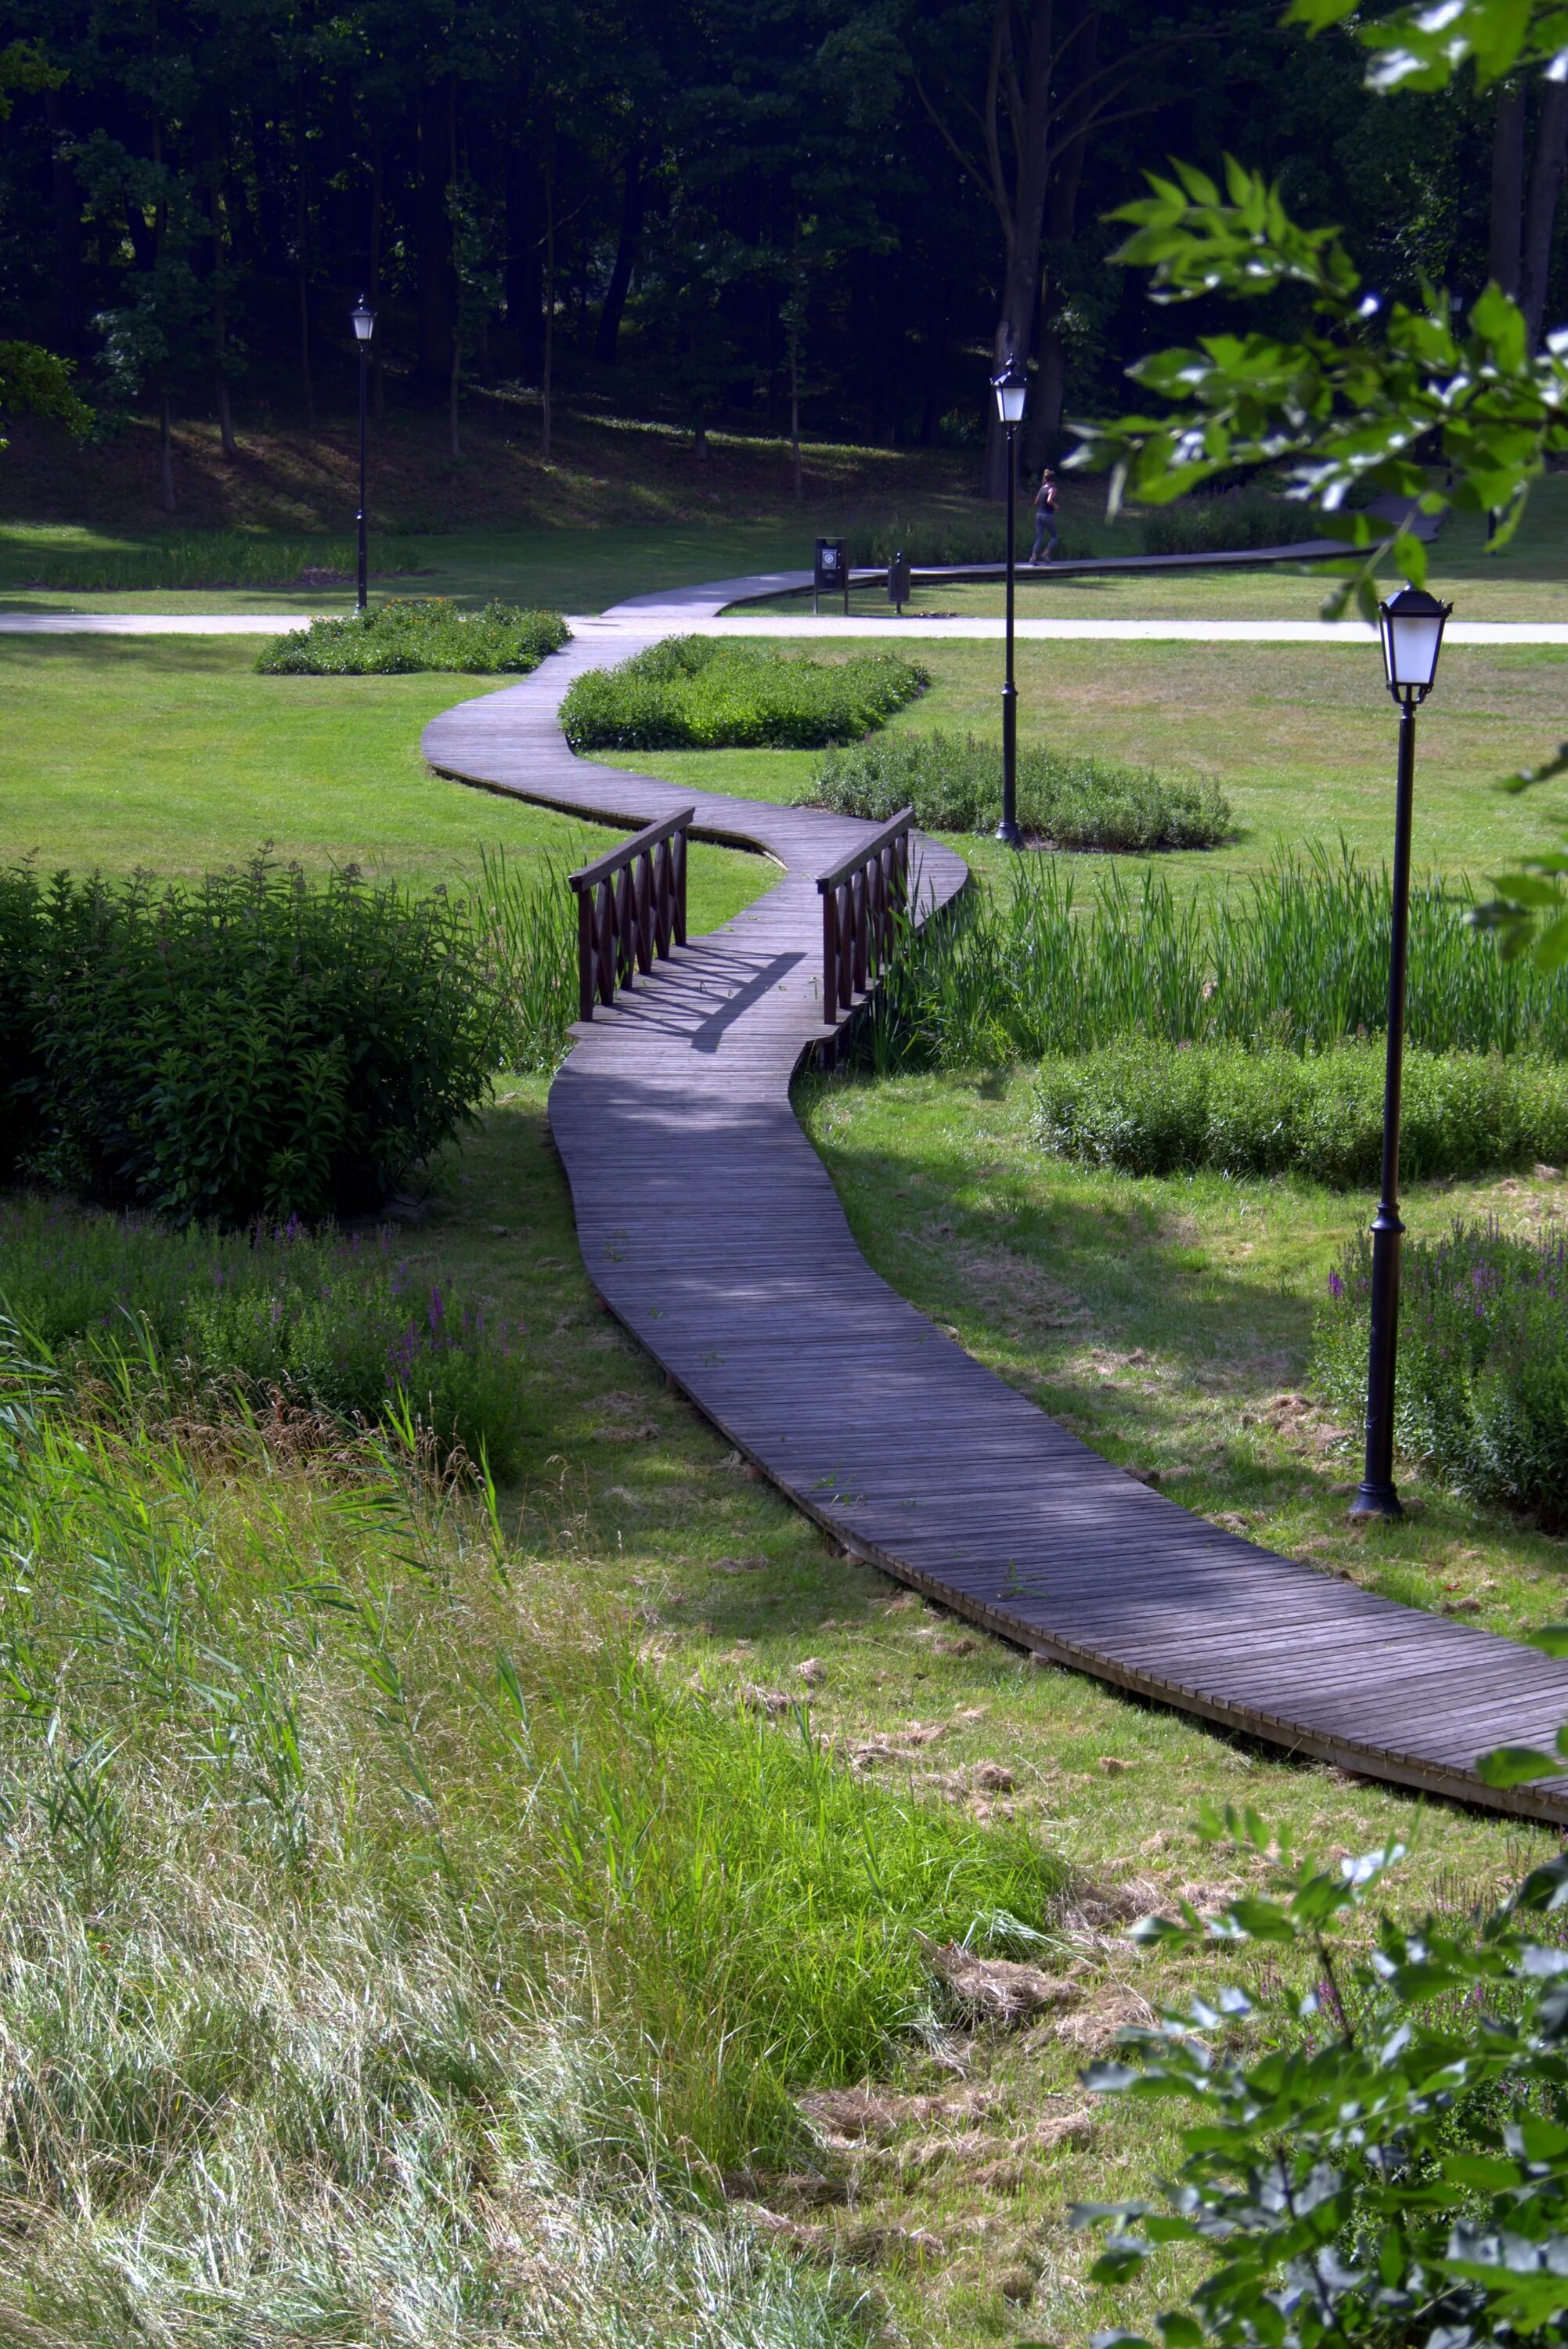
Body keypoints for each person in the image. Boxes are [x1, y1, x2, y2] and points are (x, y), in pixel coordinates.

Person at [1029, 467, 1060, 564]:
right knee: (1055, 536)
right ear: (1053, 480)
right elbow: (1049, 501)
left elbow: (1036, 502)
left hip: (1039, 514)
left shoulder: (1042, 488)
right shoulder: (1052, 489)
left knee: (1039, 538)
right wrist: (1056, 506)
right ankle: (1045, 553)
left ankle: (1033, 557)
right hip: (1047, 515)